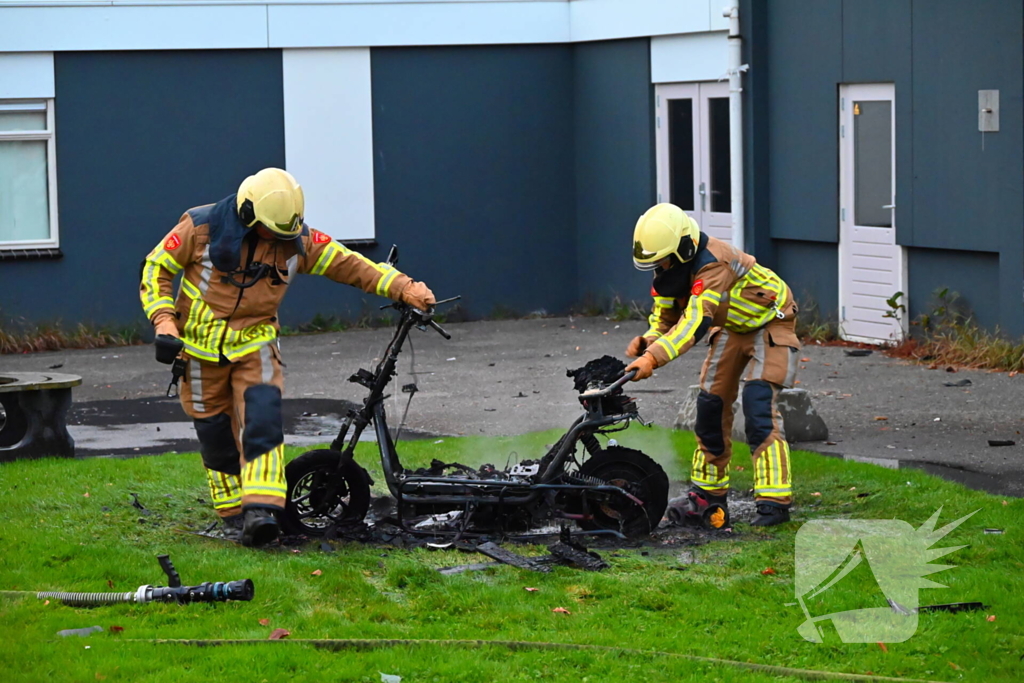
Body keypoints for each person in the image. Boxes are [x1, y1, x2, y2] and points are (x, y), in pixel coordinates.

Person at [139, 168, 434, 546]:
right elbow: (156, 267)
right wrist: (165, 322)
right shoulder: (199, 227)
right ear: (248, 216)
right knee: (214, 435)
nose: (279, 242)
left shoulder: (296, 239)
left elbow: (349, 263)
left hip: (255, 341)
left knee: (261, 420)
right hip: (196, 349)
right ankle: (232, 512)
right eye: (272, 233)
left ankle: (262, 510)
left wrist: (404, 287)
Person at [624, 203, 798, 526]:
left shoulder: (714, 264)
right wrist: (648, 340)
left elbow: (694, 323)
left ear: (684, 249)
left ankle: (774, 502)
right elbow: (665, 317)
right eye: (654, 265)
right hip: (732, 326)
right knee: (710, 406)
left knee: (758, 406)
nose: (659, 270)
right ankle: (707, 496)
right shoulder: (670, 272)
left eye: (662, 263)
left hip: (771, 322)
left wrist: (653, 358)